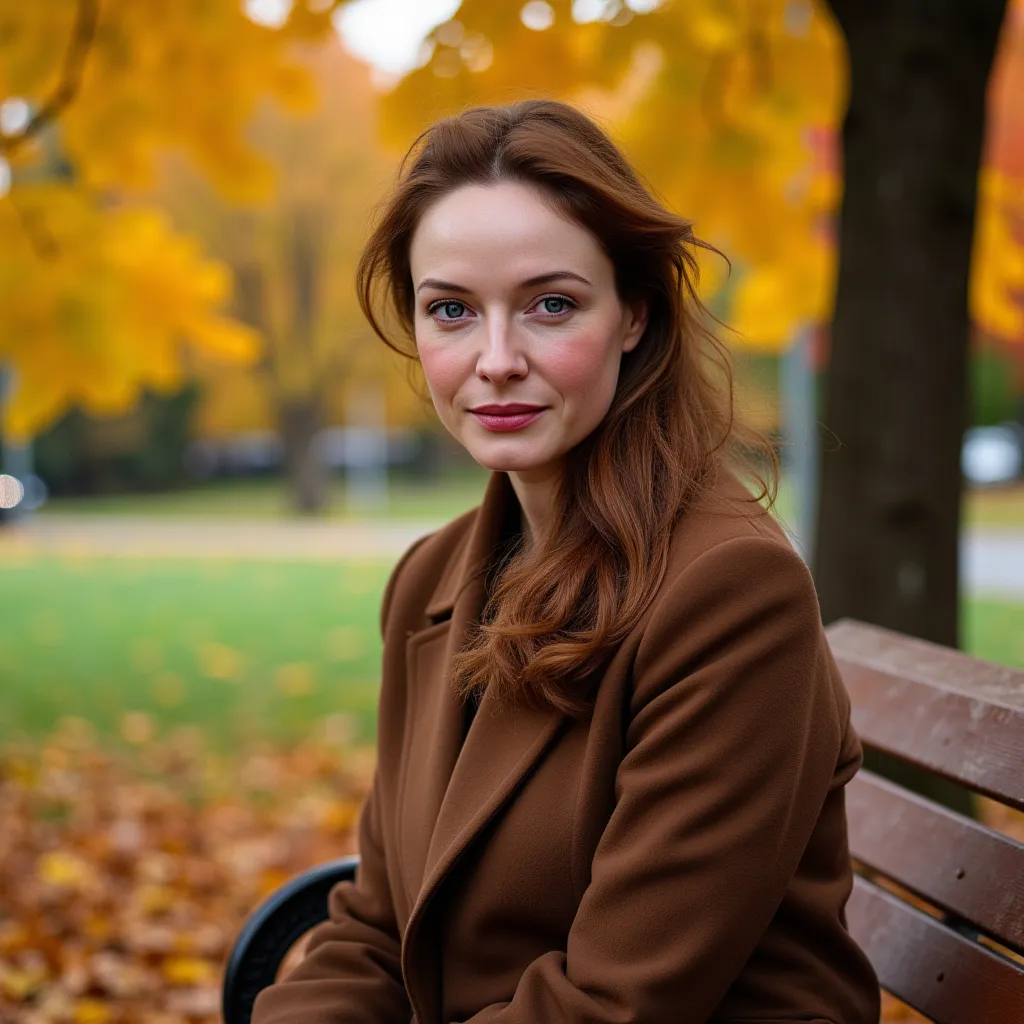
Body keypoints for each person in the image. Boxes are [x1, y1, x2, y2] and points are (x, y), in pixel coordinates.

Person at [252, 99, 881, 1024]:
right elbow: (377, 928)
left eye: (551, 305)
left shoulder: (730, 593)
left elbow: (619, 1004)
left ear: (633, 313)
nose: (495, 359)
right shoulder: (431, 579)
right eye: (452, 311)